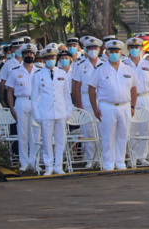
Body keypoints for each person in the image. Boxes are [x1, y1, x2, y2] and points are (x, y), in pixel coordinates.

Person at [89, 40, 137, 171]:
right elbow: (91, 88)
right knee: (108, 136)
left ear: (121, 53)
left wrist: (133, 106)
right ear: (107, 53)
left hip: (125, 106)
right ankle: (109, 163)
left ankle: (120, 161)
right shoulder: (100, 69)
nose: (115, 54)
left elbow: (133, 88)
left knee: (123, 135)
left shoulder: (128, 69)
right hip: (107, 106)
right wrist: (95, 108)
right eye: (112, 52)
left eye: (117, 52)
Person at [31, 47, 73, 176]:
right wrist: (37, 115)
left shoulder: (62, 73)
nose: (51, 60)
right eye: (49, 58)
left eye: (53, 58)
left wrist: (68, 111)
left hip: (60, 111)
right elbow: (35, 97)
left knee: (60, 140)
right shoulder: (38, 75)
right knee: (47, 141)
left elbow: (66, 94)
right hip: (46, 112)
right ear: (44, 60)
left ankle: (58, 165)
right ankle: (48, 166)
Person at [124, 37, 149, 166]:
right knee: (131, 128)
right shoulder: (124, 64)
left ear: (141, 49)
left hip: (145, 97)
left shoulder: (148, 64)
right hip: (129, 98)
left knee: (146, 128)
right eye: (132, 48)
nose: (134, 50)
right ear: (128, 49)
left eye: (137, 47)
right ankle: (132, 155)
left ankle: (142, 156)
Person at [7, 44, 40, 172]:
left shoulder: (39, 71)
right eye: (26, 53)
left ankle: (34, 161)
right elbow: (9, 91)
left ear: (34, 55)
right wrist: (11, 107)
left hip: (36, 102)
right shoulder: (15, 71)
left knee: (36, 134)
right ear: (22, 55)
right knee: (23, 134)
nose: (29, 55)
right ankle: (24, 162)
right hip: (21, 102)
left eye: (31, 53)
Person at [73, 37, 104, 169]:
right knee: (88, 131)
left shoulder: (104, 64)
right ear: (85, 50)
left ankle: (101, 158)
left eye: (95, 48)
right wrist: (79, 105)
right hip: (86, 99)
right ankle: (90, 159)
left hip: (101, 98)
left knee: (102, 130)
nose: (93, 51)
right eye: (90, 48)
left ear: (99, 49)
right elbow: (76, 86)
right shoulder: (81, 65)